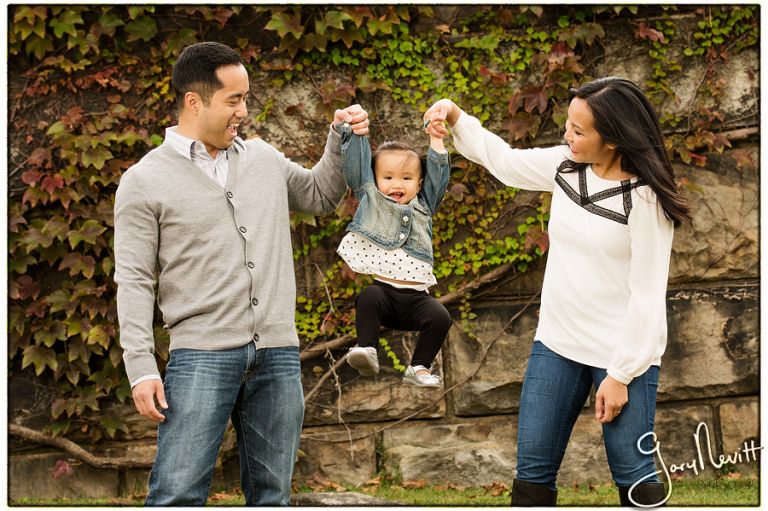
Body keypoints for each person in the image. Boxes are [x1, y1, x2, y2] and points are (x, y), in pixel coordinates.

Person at [113, 41, 369, 506]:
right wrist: (140, 367)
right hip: (200, 356)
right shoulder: (143, 181)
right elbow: (132, 279)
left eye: (245, 98)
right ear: (195, 101)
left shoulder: (263, 158)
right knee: (177, 494)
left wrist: (340, 138)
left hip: (276, 353)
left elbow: (319, 195)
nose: (244, 111)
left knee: (272, 495)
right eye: (234, 100)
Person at [424, 77, 692, 507]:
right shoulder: (565, 166)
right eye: (568, 124)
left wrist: (621, 375)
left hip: (622, 356)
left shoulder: (645, 201)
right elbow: (506, 162)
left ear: (614, 139)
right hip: (557, 344)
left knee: (635, 477)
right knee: (532, 475)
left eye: (579, 131)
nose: (567, 135)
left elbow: (646, 297)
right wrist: (456, 117)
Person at [336, 121, 453, 388]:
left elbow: (439, 177)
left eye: (406, 178)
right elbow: (357, 170)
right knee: (368, 296)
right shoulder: (374, 200)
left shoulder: (425, 204)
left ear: (419, 183)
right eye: (387, 178)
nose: (396, 184)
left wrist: (436, 140)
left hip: (417, 300)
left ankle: (419, 367)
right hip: (385, 296)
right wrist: (356, 134)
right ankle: (367, 349)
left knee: (440, 317)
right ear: (376, 180)